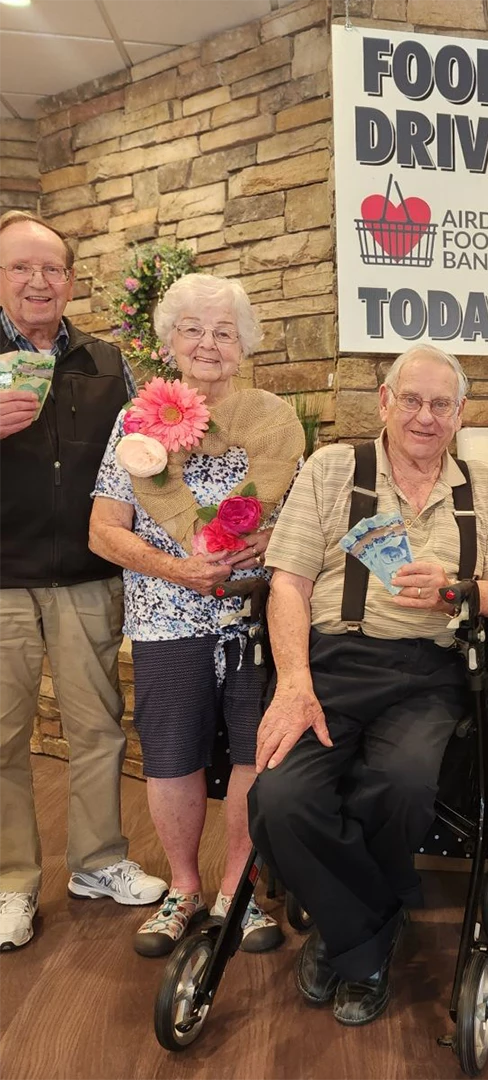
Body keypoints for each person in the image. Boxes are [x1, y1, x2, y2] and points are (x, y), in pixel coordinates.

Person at [247, 344, 488, 1027]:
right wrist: (293, 683)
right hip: (333, 662)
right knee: (279, 797)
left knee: (403, 784)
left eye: (441, 405)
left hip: (430, 671)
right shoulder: (335, 467)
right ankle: (365, 935)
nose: (425, 417)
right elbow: (288, 582)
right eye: (413, 400)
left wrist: (461, 590)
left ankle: (348, 945)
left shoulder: (482, 486)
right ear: (385, 402)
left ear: (460, 414)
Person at [89, 272, 304, 956]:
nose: (209, 345)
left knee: (253, 752)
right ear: (169, 341)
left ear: (245, 347)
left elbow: (300, 517)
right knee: (173, 757)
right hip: (165, 615)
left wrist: (270, 540)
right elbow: (103, 531)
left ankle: (236, 892)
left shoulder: (271, 418)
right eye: (194, 330)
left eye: (225, 333)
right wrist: (181, 565)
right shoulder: (136, 422)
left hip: (253, 618)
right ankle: (183, 889)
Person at [0, 210, 166, 953]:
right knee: (1, 739)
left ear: (70, 279)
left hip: (88, 575)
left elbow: (142, 458)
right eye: (20, 268)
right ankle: (9, 885)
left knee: (98, 725)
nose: (38, 281)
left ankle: (98, 863)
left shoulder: (106, 360)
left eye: (52, 269)